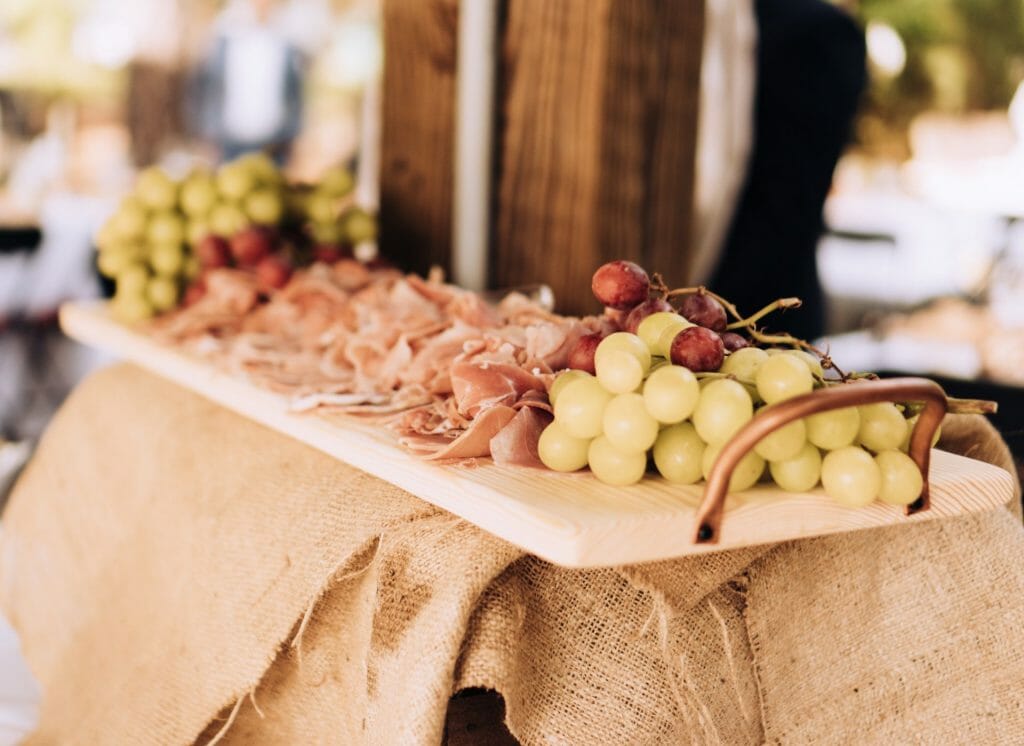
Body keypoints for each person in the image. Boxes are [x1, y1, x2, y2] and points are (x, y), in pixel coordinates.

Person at [709, 0, 867, 342]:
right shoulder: (819, 30)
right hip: (738, 302)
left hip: (761, 313)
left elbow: (792, 196)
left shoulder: (818, 33)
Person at [193, 0, 305, 164]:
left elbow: (294, 92)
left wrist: (293, 133)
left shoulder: (285, 41)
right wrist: (206, 133)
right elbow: (204, 88)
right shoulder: (223, 38)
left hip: (274, 143)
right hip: (230, 142)